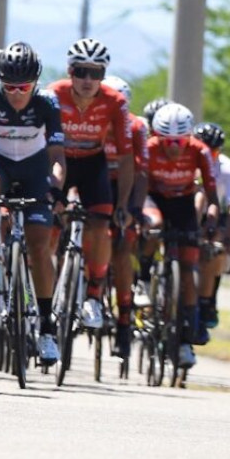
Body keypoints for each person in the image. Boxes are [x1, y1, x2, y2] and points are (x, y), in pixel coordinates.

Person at [0, 42, 67, 363]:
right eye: (10, 86)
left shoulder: (47, 102)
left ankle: (46, 326)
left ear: (36, 82)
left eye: (24, 87)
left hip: (33, 166)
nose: (17, 93)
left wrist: (56, 188)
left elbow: (57, 155)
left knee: (40, 247)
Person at [45, 38, 134, 334]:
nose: (87, 79)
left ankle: (94, 294)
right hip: (58, 161)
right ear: (70, 71)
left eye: (95, 73)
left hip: (93, 163)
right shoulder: (52, 95)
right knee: (48, 223)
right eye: (81, 71)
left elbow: (124, 157)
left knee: (100, 223)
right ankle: (42, 285)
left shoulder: (115, 102)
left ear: (103, 76)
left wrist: (122, 204)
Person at [146, 103, 217, 369]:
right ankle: (144, 277)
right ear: (156, 136)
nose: (173, 146)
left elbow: (210, 190)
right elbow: (140, 182)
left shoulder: (199, 151)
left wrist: (210, 220)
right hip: (154, 199)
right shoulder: (149, 148)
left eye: (179, 140)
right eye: (166, 140)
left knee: (188, 266)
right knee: (152, 226)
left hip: (184, 202)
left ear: (188, 137)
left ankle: (187, 333)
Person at [102, 75, 147, 359]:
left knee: (121, 248)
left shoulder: (137, 127)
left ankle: (124, 319)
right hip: (93, 182)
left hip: (125, 186)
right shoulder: (92, 122)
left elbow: (141, 172)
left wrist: (134, 209)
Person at [193, 122, 230, 330]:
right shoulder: (184, 160)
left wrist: (228, 236)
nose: (207, 155)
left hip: (214, 215)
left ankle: (207, 301)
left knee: (215, 251)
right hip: (184, 210)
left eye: (212, 151)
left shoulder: (228, 168)